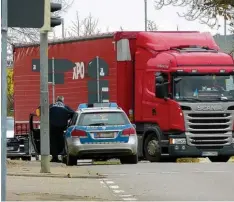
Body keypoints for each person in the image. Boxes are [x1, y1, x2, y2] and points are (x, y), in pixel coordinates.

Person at [49, 96, 75, 162]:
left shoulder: (51, 106)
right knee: (61, 141)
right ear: (63, 101)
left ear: (56, 100)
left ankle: (54, 157)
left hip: (52, 128)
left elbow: (45, 113)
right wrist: (67, 118)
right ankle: (63, 155)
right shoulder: (65, 107)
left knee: (53, 142)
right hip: (62, 128)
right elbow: (73, 113)